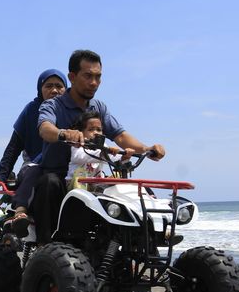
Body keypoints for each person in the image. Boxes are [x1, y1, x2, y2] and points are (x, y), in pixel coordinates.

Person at [32, 49, 166, 244]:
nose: (94, 82)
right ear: (72, 76)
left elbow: (120, 136)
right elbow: (45, 128)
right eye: (88, 76)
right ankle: (46, 248)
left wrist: (147, 149)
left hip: (92, 179)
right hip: (62, 178)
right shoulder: (54, 105)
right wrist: (63, 133)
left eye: (98, 77)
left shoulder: (99, 107)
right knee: (48, 183)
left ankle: (144, 244)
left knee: (137, 192)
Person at [0, 69, 67, 236]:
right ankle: (22, 216)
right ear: (40, 88)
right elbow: (13, 147)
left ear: (66, 89)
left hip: (65, 167)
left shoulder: (71, 110)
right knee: (40, 174)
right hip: (34, 166)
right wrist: (1, 174)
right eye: (48, 86)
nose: (54, 90)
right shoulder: (31, 110)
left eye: (59, 86)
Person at [65, 110, 133, 190]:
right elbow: (80, 157)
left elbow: (112, 159)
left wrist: (124, 157)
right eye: (91, 129)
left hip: (95, 184)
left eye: (99, 130)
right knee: (80, 172)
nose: (96, 133)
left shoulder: (103, 147)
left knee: (118, 175)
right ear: (81, 132)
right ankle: (80, 201)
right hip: (75, 184)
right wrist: (103, 153)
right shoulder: (78, 145)